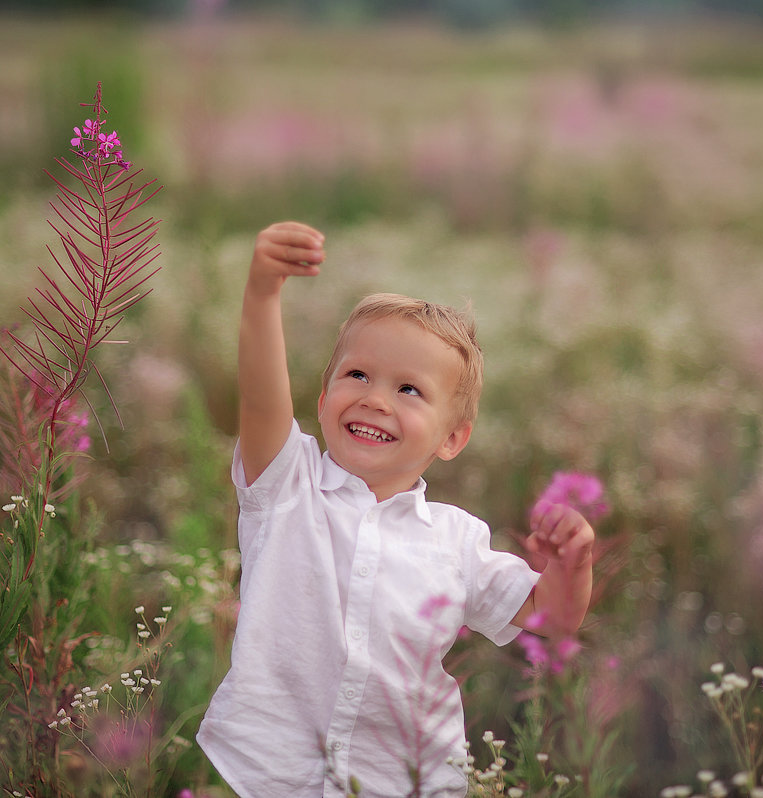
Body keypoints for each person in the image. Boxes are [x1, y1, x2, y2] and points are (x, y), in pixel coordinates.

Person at [196, 221, 595, 797]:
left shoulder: (456, 540)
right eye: (356, 374)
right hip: (271, 772)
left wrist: (571, 564)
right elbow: (259, 396)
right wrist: (262, 292)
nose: (375, 398)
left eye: (409, 390)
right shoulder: (288, 485)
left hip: (404, 782)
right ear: (321, 398)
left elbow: (550, 621)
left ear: (452, 438)